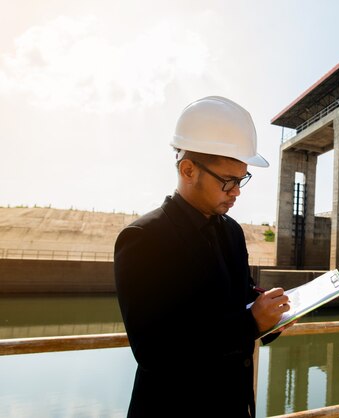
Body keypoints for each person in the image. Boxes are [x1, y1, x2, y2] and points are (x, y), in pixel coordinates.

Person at [114, 96, 290, 418]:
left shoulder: (232, 231)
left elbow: (239, 299)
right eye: (228, 181)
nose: (236, 191)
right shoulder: (144, 238)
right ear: (188, 169)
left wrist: (271, 315)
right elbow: (154, 350)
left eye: (242, 180)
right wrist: (251, 322)